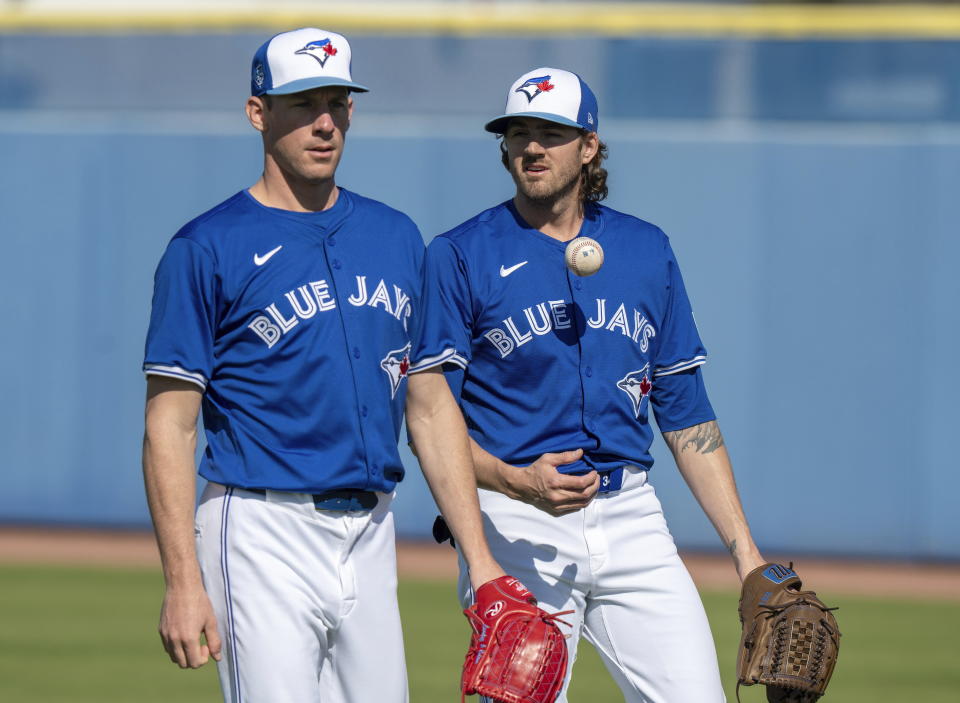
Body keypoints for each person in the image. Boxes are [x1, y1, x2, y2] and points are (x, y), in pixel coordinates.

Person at [141, 28, 503, 703]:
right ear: (259, 112)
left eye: (337, 103)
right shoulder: (205, 247)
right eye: (304, 104)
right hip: (260, 531)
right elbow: (171, 425)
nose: (325, 123)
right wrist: (183, 580)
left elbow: (428, 407)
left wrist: (481, 563)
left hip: (371, 531)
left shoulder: (395, 235)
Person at [409, 67, 766, 702]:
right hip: (517, 523)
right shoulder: (461, 254)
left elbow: (687, 415)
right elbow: (430, 420)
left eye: (551, 132)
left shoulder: (645, 250)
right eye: (518, 133)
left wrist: (747, 556)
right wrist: (509, 491)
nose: (532, 147)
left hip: (632, 516)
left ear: (590, 146)